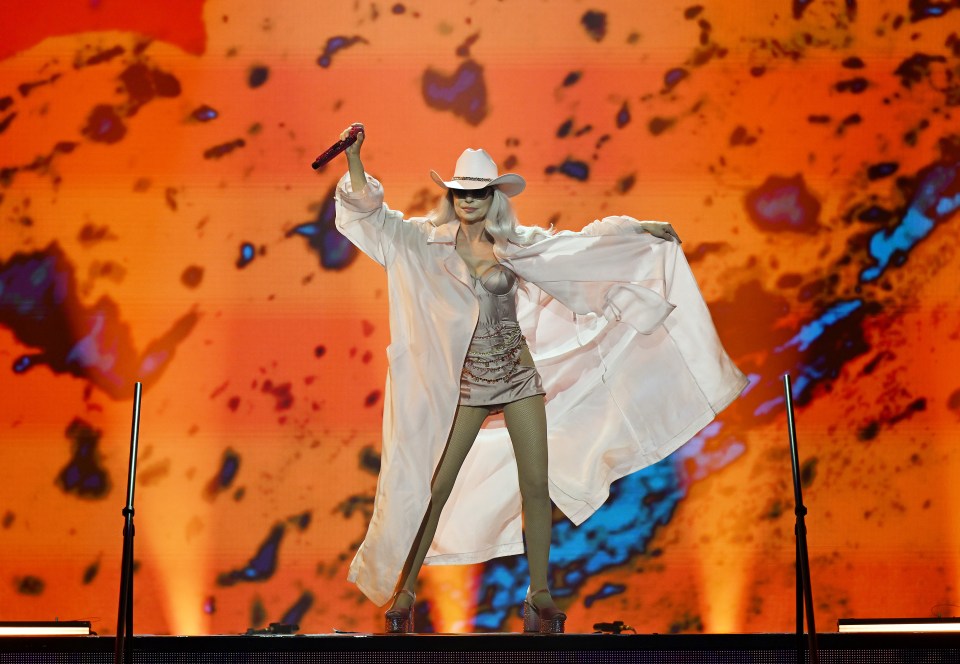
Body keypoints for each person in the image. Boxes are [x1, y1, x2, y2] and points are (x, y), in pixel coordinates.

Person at [332, 122, 747, 634]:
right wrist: (354, 159)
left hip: (517, 375)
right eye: (461, 191)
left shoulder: (518, 244)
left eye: (479, 192)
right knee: (435, 486)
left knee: (535, 484)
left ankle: (540, 594)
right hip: (463, 386)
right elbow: (373, 218)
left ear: (493, 197)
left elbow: (580, 248)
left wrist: (642, 231)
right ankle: (406, 589)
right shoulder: (424, 242)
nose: (468, 200)